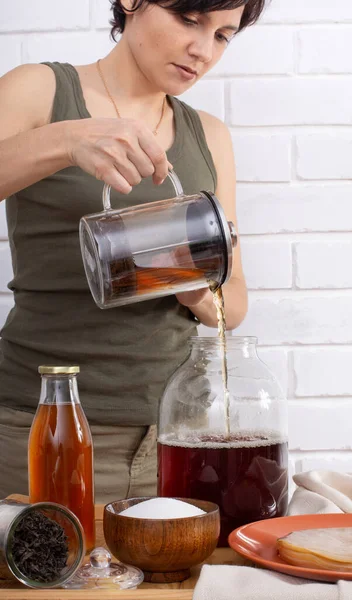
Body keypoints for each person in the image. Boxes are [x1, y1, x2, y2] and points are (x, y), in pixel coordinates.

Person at [0, 0, 265, 502]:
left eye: (223, 35)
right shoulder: (40, 90)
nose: (202, 50)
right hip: (47, 430)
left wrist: (185, 279)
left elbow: (233, 301)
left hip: (179, 435)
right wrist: (69, 139)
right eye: (189, 20)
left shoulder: (208, 136)